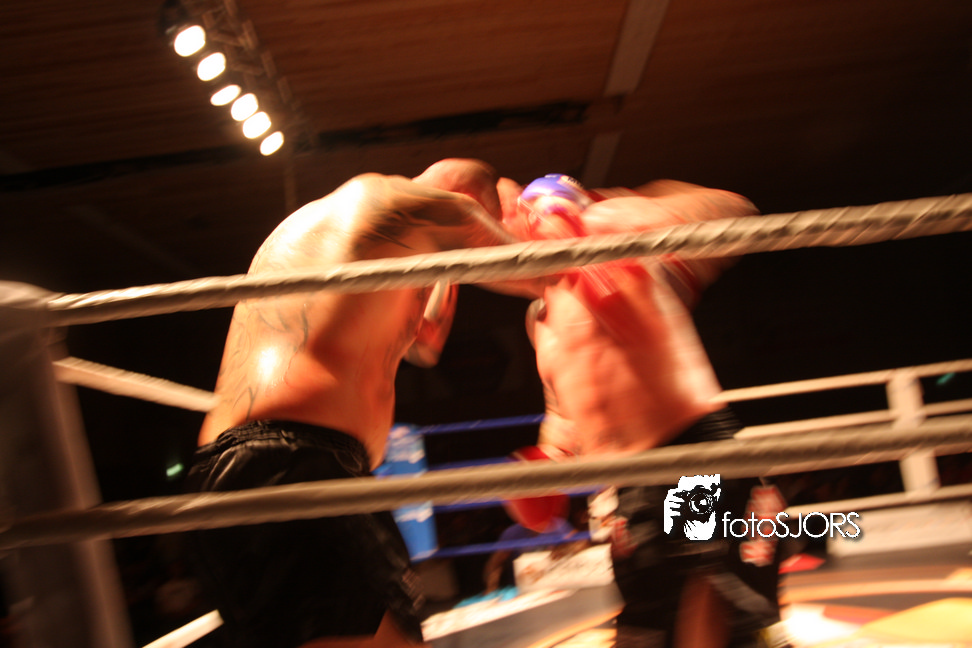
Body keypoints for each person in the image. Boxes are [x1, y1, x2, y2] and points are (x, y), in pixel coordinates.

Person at [184, 159, 518, 648]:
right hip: (292, 464)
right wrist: (566, 227)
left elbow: (426, 346)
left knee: (397, 636)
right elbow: (522, 258)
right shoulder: (388, 196)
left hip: (283, 465)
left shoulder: (367, 244)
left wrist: (445, 274)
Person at [497, 175, 784, 648]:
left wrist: (627, 210)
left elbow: (736, 209)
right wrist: (546, 462)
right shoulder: (540, 320)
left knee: (709, 605)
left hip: (692, 458)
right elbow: (563, 412)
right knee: (645, 625)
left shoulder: (630, 260)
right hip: (626, 488)